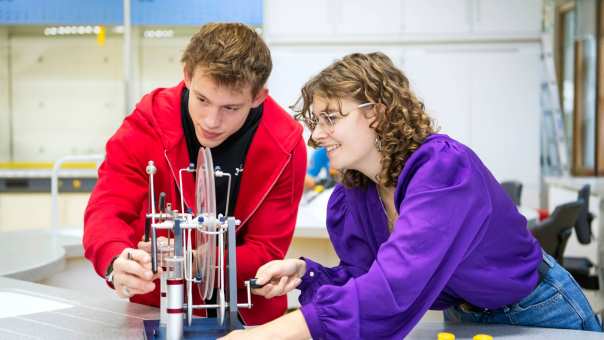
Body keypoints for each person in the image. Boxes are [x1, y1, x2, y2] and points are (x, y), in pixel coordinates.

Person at [220, 52, 602, 339]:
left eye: (331, 118)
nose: (317, 135)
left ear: (378, 114)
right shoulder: (355, 193)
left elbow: (391, 289)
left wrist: (264, 334)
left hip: (539, 310)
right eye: (316, 121)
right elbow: (366, 276)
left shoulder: (443, 172)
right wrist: (308, 271)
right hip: (465, 317)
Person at [83, 22, 307, 325]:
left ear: (258, 97)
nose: (212, 121)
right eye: (201, 99)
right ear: (187, 75)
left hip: (249, 317)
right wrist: (114, 259)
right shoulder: (148, 120)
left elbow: (266, 249)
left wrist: (187, 259)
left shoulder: (285, 143)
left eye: (231, 107)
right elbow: (108, 207)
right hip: (157, 311)